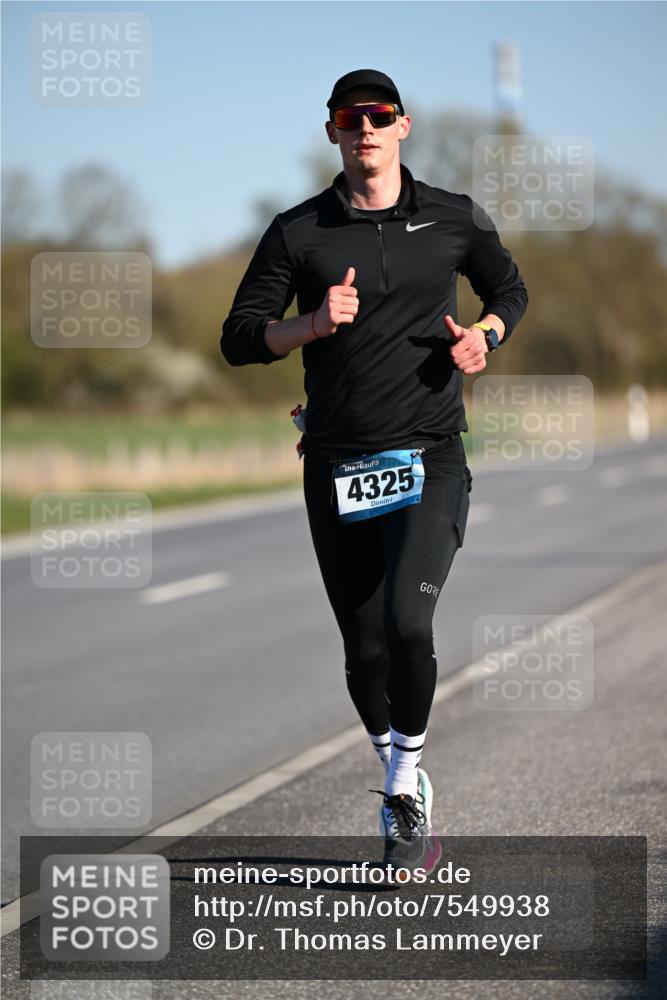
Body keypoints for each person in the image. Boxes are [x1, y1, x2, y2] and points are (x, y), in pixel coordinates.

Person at [221, 68, 528, 877]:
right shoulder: (298, 232)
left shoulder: (452, 218)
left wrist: (485, 336)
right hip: (337, 464)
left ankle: (401, 791)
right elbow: (240, 336)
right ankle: (402, 767)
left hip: (430, 455)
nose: (365, 128)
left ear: (402, 126)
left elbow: (510, 287)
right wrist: (313, 325)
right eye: (349, 118)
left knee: (406, 624)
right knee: (362, 655)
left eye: (379, 116)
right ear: (331, 132)